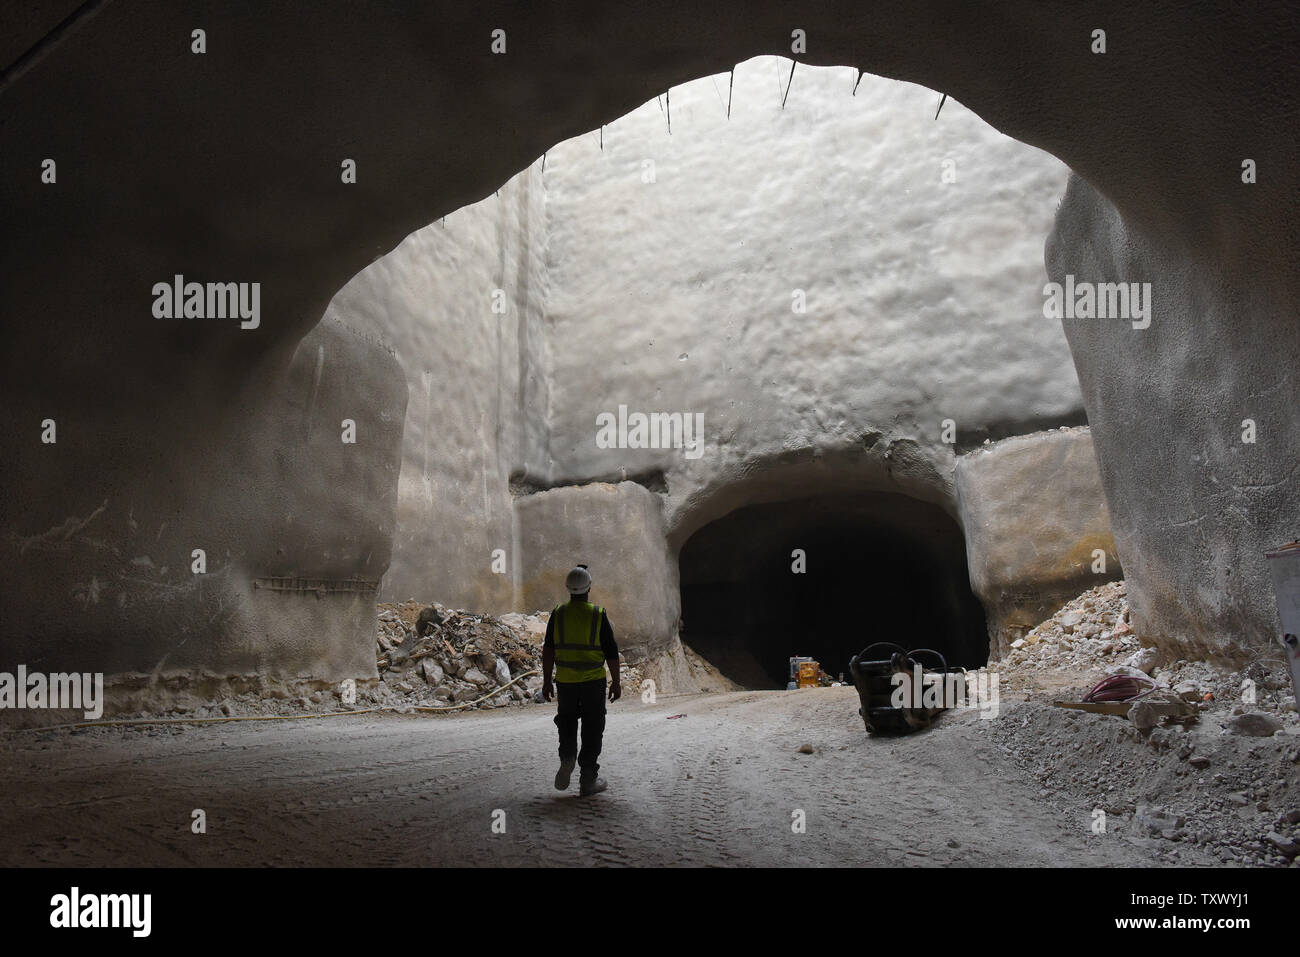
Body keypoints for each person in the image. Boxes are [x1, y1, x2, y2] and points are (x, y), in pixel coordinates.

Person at [541, 564, 621, 796]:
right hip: (593, 682)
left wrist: (547, 681)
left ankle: (567, 757)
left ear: (568, 589)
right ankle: (588, 779)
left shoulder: (558, 613)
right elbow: (611, 652)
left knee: (566, 722)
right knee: (592, 727)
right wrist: (616, 682)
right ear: (589, 588)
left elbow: (548, 650)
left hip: (565, 681)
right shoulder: (597, 614)